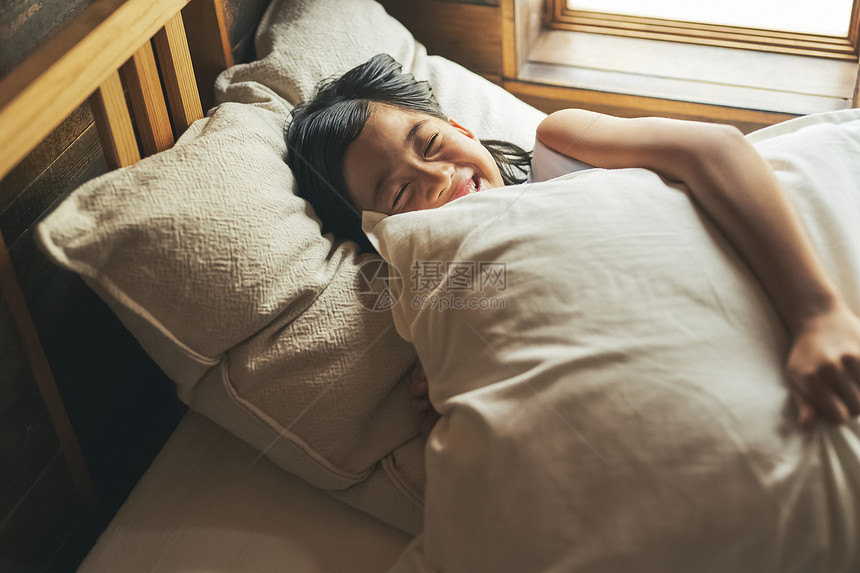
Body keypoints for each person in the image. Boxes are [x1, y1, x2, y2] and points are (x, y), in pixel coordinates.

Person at [286, 53, 860, 436]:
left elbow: (714, 150)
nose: (437, 177)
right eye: (403, 191)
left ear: (460, 129)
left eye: (431, 143)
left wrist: (817, 311)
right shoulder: (448, 296)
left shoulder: (560, 148)